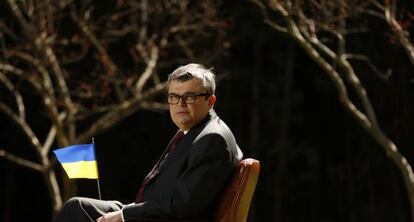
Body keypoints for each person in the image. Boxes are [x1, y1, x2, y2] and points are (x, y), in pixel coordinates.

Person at [54, 63, 243, 222]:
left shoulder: (212, 138)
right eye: (174, 97)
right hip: (154, 213)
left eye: (190, 97)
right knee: (78, 206)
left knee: (77, 213)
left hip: (164, 218)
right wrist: (127, 210)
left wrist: (124, 215)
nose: (180, 104)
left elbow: (184, 205)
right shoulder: (197, 130)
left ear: (210, 101)